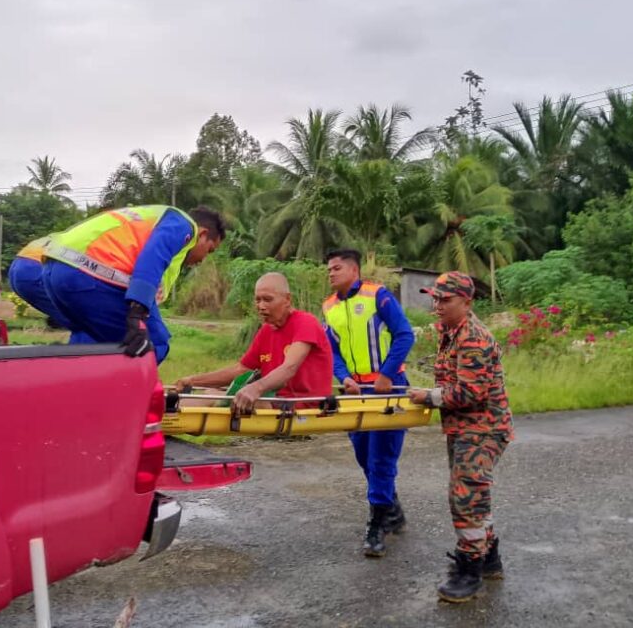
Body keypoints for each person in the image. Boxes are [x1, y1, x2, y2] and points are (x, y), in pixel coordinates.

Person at [408, 271, 514, 603]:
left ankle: (470, 571)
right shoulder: (449, 331)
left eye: (445, 300)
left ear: (467, 302)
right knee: (472, 494)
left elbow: (471, 392)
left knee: (465, 496)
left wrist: (428, 397)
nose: (437, 305)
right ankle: (489, 559)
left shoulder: (474, 338)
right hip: (463, 427)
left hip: (484, 429)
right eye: (435, 298)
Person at [41, 205, 225, 363]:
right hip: (89, 274)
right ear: (202, 234)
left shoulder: (148, 218)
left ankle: (69, 379)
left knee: (92, 339)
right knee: (153, 343)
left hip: (53, 271)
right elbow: (154, 255)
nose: (203, 259)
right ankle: (119, 391)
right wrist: (137, 310)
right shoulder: (183, 224)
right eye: (209, 250)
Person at [323, 249, 414, 557]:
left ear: (354, 270)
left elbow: (404, 335)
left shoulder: (378, 296)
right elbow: (332, 350)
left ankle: (377, 525)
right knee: (363, 454)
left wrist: (387, 374)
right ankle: (391, 507)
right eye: (329, 269)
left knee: (381, 458)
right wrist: (343, 376)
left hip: (388, 387)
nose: (331, 273)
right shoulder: (329, 306)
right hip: (355, 392)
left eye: (336, 268)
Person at [173, 272, 333, 412]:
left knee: (220, 399)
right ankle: (166, 415)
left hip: (303, 405)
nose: (261, 306)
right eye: (258, 300)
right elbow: (241, 369)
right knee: (211, 394)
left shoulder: (305, 323)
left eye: (268, 300)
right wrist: (193, 380)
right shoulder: (266, 330)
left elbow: (289, 368)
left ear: (287, 299)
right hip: (274, 400)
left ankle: (166, 417)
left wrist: (256, 388)